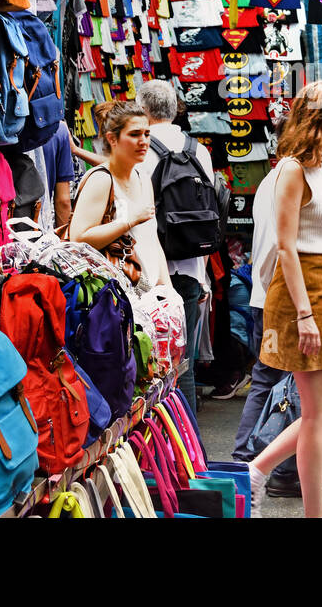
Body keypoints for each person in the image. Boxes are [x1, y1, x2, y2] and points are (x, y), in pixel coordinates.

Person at [247, 81, 322, 518]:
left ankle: (256, 471)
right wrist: (306, 315)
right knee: (317, 412)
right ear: (314, 123)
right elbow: (287, 246)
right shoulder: (292, 169)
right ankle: (315, 513)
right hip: (305, 294)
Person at [137, 79, 214, 412]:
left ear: (143, 110)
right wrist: (204, 276)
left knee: (153, 367)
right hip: (192, 270)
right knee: (184, 364)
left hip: (152, 273)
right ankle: (188, 442)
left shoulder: (141, 150)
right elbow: (209, 216)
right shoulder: (200, 151)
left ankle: (170, 451)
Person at [68, 100, 171, 292]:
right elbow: (79, 238)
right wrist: (130, 220)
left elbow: (151, 238)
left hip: (146, 292)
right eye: (134, 134)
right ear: (112, 139)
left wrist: (168, 290)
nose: (144, 141)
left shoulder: (142, 177)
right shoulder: (102, 180)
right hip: (116, 295)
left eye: (147, 134)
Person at [38, 121, 77, 228]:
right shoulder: (59, 128)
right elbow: (63, 201)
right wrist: (63, 239)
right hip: (39, 225)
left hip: (0, 226)